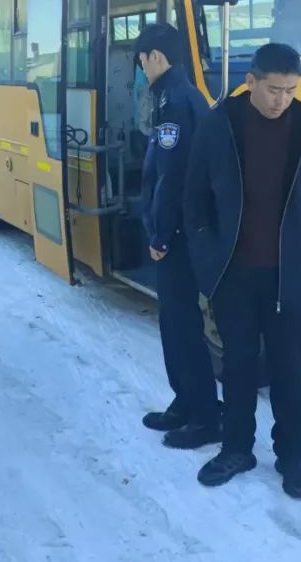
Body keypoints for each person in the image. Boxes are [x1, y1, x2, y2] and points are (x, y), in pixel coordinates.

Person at [184, 43, 301, 499]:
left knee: (288, 370)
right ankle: (237, 449)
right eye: (274, 89)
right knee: (238, 366)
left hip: (290, 276)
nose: (282, 100)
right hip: (233, 275)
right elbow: (194, 197)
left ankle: (291, 457)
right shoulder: (220, 125)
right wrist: (207, 259)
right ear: (251, 81)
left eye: (291, 90)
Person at [135, 24, 221, 450]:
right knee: (174, 321)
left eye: (141, 60)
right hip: (183, 231)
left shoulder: (174, 102)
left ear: (154, 57)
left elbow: (171, 177)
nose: (141, 69)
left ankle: (205, 416)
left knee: (182, 324)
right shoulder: (180, 95)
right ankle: (185, 402)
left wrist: (162, 234)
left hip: (180, 236)